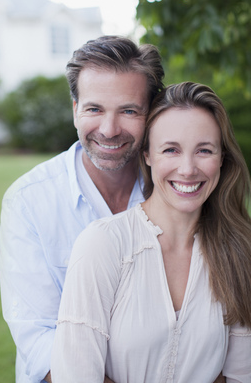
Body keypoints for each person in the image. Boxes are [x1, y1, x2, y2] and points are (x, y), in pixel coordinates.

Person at [51, 82, 251, 383]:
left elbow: (240, 375)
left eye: (204, 150)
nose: (187, 169)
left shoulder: (239, 250)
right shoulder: (103, 244)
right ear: (146, 154)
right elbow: (76, 375)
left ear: (222, 158)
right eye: (171, 149)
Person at [0, 35, 165, 383]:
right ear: (75, 109)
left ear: (151, 113)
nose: (108, 129)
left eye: (129, 110)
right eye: (94, 109)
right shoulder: (29, 201)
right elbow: (39, 340)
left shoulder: (174, 191)